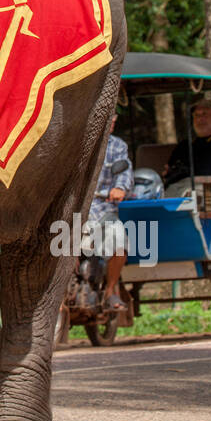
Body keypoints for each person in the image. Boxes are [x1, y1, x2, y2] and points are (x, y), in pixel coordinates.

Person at [87, 116, 134, 311]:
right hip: (73, 210)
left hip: (102, 208)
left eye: (113, 116)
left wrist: (120, 188)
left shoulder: (117, 146)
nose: (110, 120)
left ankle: (110, 290)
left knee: (119, 241)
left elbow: (125, 172)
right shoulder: (79, 142)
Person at [164, 97, 211, 202]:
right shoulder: (184, 146)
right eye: (197, 115)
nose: (200, 119)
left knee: (201, 196)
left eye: (205, 114)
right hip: (182, 192)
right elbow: (169, 175)